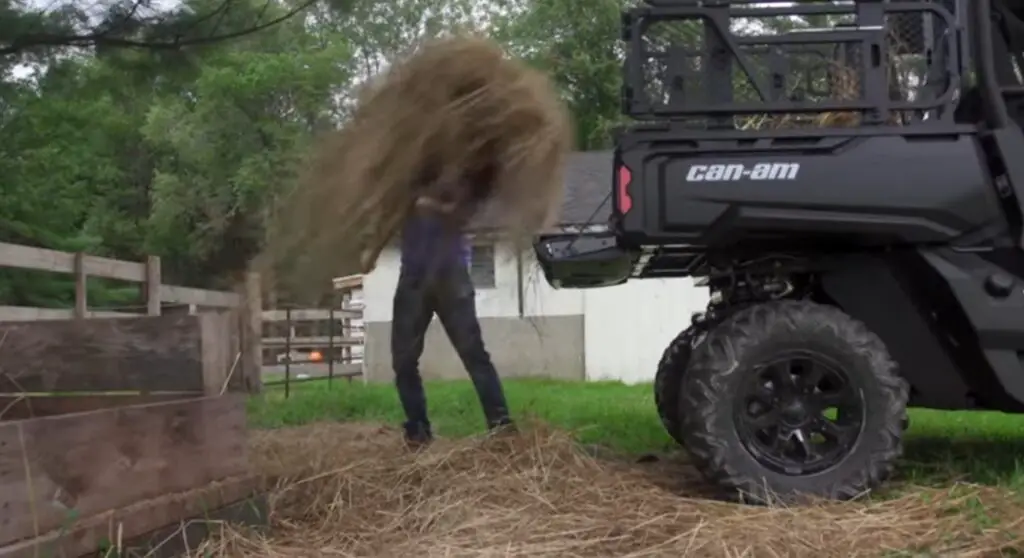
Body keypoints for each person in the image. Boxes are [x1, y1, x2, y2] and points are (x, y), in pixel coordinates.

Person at [366, 192, 513, 448]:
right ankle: (418, 432)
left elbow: (467, 209)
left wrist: (431, 205)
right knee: (403, 361)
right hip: (414, 275)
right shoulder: (403, 180)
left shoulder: (453, 174)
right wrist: (371, 252)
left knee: (474, 355)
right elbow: (390, 218)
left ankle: (502, 428)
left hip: (450, 275)